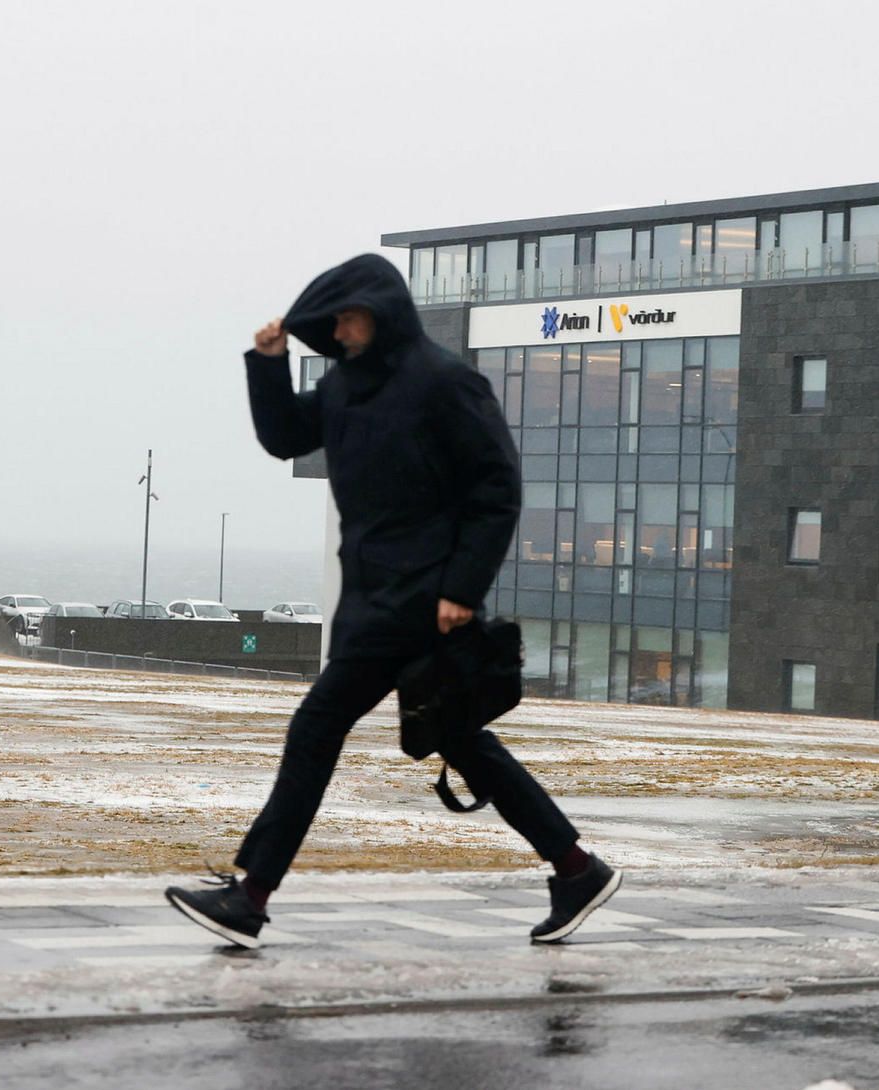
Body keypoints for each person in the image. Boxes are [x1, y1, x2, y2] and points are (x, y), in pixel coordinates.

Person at [165, 254, 619, 949]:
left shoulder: (442, 381)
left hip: (420, 600)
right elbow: (285, 436)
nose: (342, 332)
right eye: (336, 322)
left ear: (380, 315)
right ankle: (576, 867)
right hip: (372, 596)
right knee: (462, 739)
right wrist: (268, 363)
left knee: (317, 726)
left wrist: (462, 590)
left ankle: (251, 894)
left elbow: (496, 487)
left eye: (350, 318)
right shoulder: (347, 386)